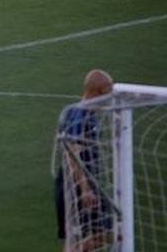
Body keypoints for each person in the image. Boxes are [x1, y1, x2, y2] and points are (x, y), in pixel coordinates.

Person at [54, 69, 114, 251]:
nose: (110, 98)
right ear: (99, 92)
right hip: (75, 187)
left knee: (109, 232)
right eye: (108, 93)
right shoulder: (77, 115)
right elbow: (72, 155)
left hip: (89, 184)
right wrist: (86, 190)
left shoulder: (90, 114)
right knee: (75, 239)